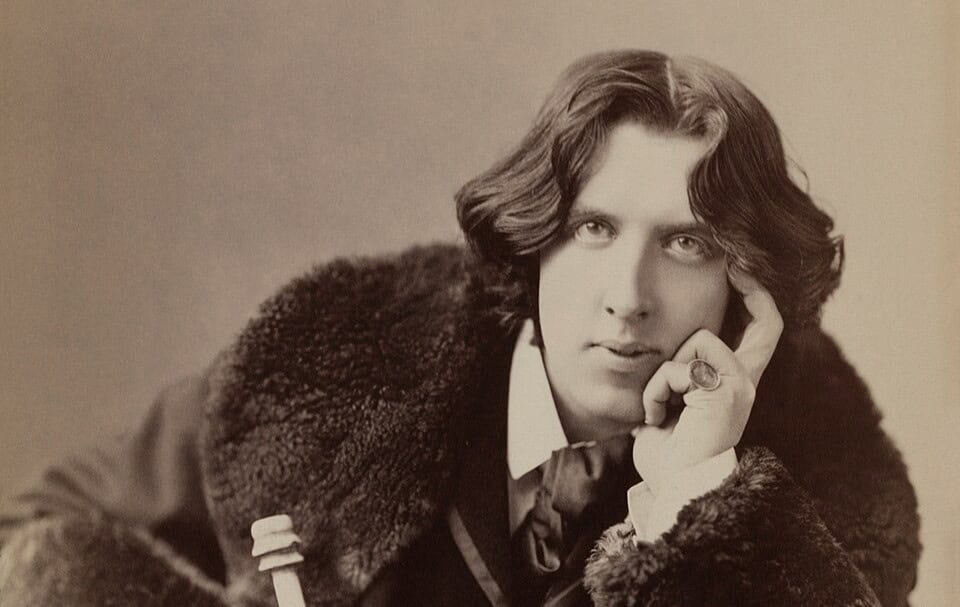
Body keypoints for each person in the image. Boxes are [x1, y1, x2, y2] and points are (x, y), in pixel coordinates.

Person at [0, 50, 919, 606]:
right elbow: (32, 541)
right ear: (533, 235)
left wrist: (697, 497)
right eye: (594, 229)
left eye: (687, 244)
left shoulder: (827, 480)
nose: (628, 296)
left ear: (744, 279)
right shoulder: (333, 365)